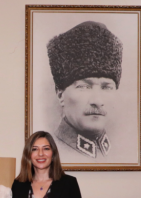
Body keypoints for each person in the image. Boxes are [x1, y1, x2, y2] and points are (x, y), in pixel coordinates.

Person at [47, 21, 123, 159]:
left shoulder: (121, 153)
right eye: (84, 87)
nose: (97, 101)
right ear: (60, 94)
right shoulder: (49, 154)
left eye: (106, 87)